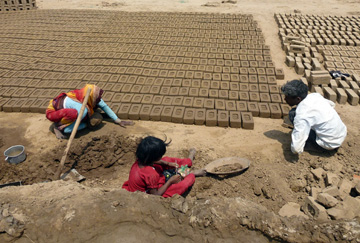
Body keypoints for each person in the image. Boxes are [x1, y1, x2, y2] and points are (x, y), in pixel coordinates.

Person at [122, 136, 207, 197]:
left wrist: (167, 164)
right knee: (180, 186)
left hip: (150, 182)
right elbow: (156, 195)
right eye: (160, 155)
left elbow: (158, 161)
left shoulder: (140, 160)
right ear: (153, 158)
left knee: (166, 160)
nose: (161, 157)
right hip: (149, 195)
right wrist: (170, 181)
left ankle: (188, 161)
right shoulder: (151, 174)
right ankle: (191, 174)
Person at [281, 79, 347, 154]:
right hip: (341, 134)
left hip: (329, 144)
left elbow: (296, 149)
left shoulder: (302, 115)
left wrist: (295, 147)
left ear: (298, 99)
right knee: (298, 114)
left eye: (287, 97)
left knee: (293, 114)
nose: (285, 99)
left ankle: (312, 145)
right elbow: (332, 104)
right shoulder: (315, 96)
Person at [46, 84, 133, 139]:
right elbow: (68, 130)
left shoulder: (92, 96)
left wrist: (118, 120)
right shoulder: (81, 109)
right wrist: (85, 125)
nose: (98, 99)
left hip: (70, 110)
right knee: (79, 115)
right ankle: (58, 126)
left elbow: (104, 106)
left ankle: (80, 120)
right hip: (54, 113)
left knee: (94, 112)